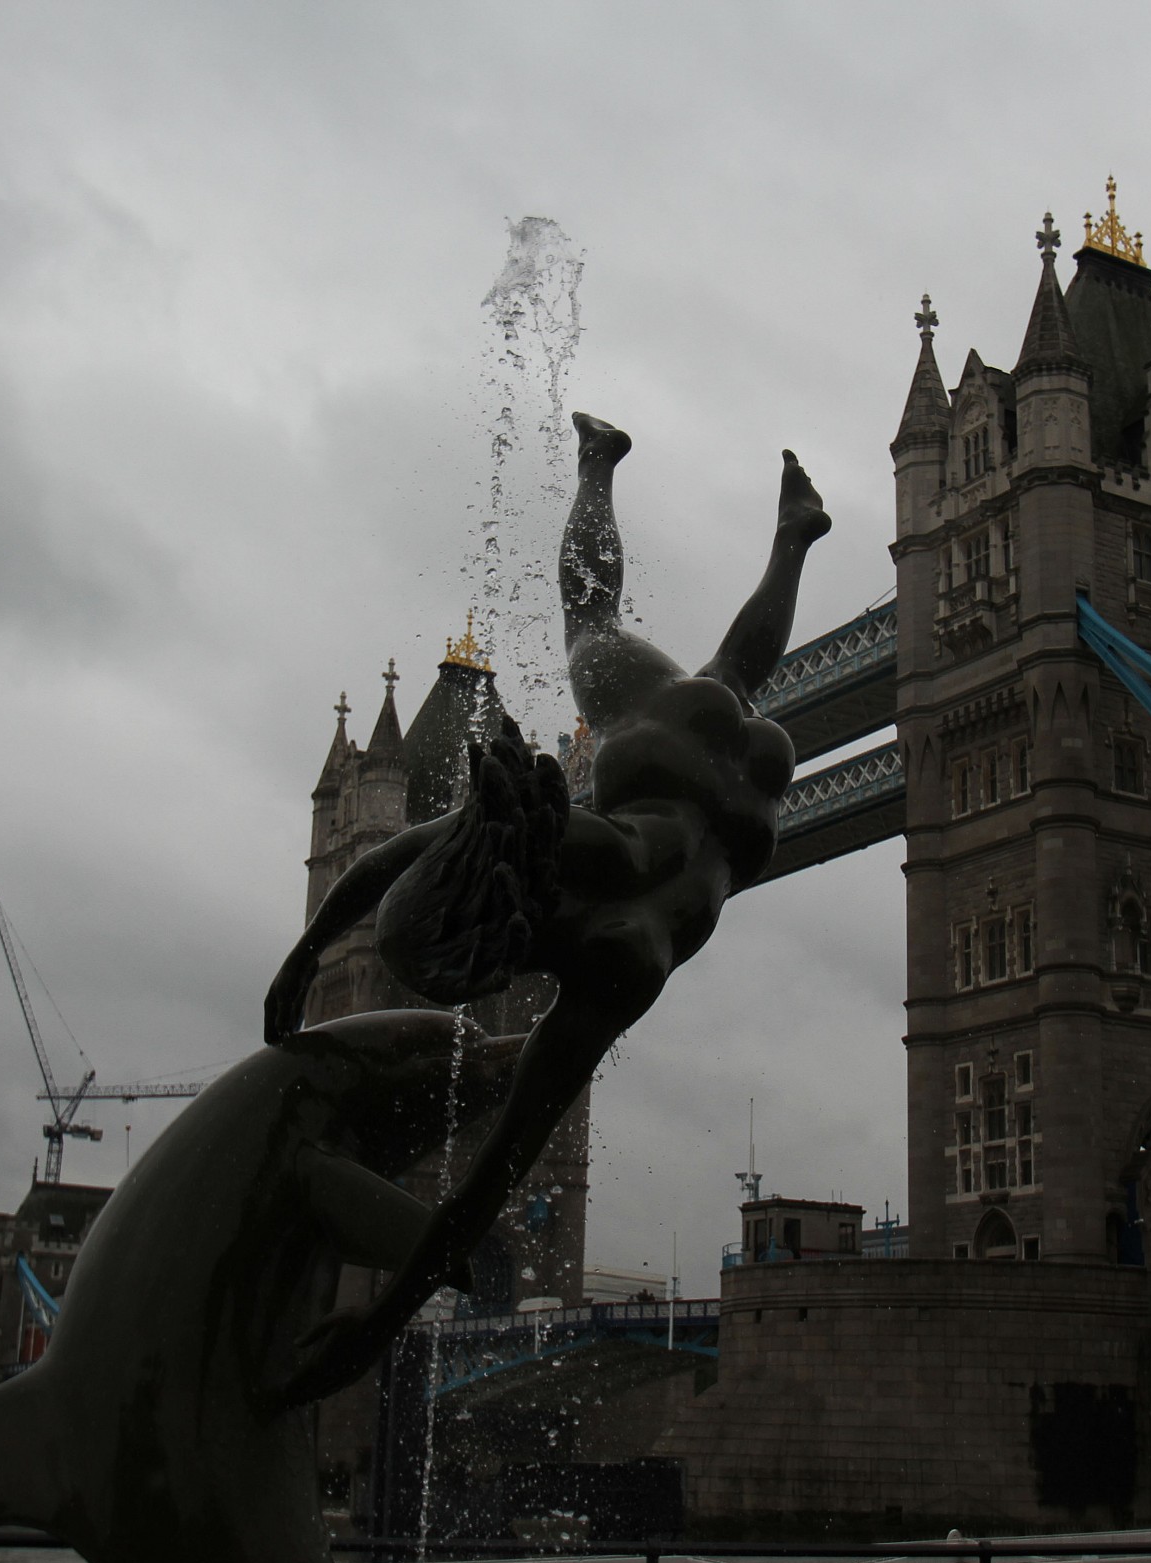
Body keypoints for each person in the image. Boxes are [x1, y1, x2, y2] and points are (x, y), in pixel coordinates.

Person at [262, 412, 830, 1403]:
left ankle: (778, 534)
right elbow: (405, 851)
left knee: (717, 668)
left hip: (751, 803)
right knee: (597, 625)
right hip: (669, 751)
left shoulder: (622, 963)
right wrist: (304, 954)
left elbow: (483, 1189)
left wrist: (372, 1329)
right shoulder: (556, 847)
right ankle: (618, 469)